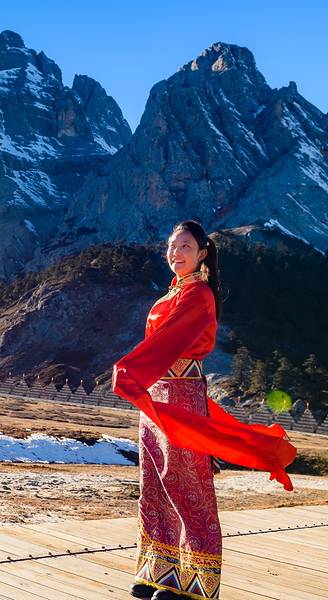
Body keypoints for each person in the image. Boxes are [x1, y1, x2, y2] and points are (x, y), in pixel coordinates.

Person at [111, 220, 297, 600]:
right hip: (156, 395)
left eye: (185, 247)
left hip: (182, 395)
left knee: (186, 486)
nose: (176, 253)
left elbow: (168, 342)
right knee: (155, 484)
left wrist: (129, 369)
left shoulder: (198, 296)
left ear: (202, 253)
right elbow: (159, 344)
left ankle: (196, 583)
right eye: (172, 246)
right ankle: (157, 571)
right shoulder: (173, 292)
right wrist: (140, 377)